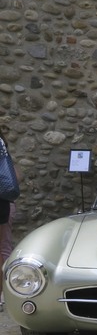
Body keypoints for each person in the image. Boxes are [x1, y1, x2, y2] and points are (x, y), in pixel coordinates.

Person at [0, 129, 18, 311]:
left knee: (3, 248)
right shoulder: (3, 145)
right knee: (5, 247)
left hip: (3, 203)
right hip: (6, 202)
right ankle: (8, 291)